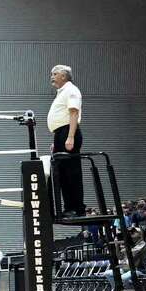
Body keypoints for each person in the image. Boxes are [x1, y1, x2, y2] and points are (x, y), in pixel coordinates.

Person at [48, 64, 84, 217]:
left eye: (54, 74)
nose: (52, 77)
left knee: (71, 173)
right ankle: (69, 207)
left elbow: (73, 113)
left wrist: (69, 137)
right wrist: (57, 141)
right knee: (62, 173)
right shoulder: (62, 92)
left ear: (63, 76)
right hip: (61, 134)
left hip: (68, 133)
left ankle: (77, 209)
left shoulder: (71, 90)